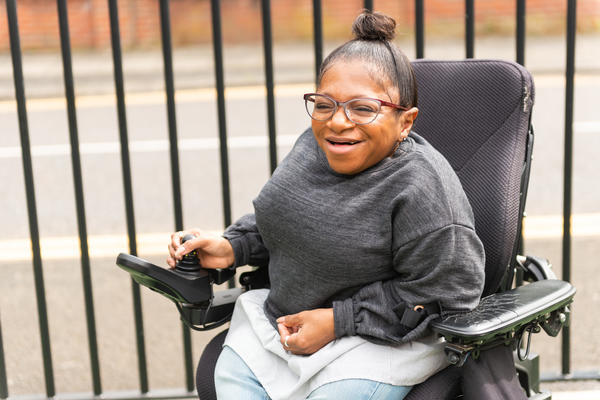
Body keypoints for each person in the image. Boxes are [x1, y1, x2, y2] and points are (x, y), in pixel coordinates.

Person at [167, 10, 485, 400]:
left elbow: (447, 293)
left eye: (363, 108)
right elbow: (289, 218)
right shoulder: (316, 146)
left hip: (382, 341)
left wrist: (340, 320)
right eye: (324, 104)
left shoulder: (422, 187)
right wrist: (233, 246)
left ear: (406, 122)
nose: (337, 122)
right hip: (284, 325)